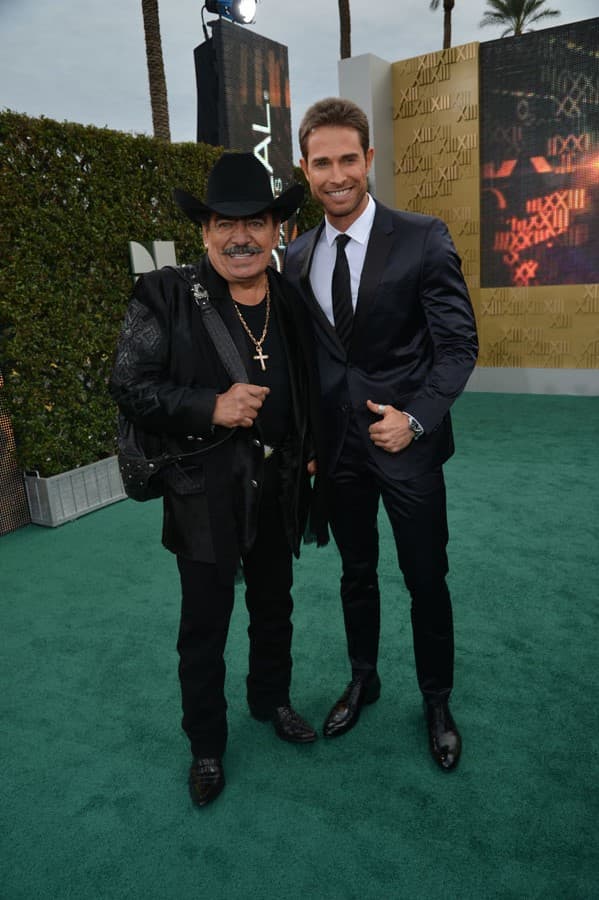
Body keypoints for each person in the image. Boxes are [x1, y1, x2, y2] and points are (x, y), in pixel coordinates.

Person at [110, 152, 328, 807]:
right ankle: (205, 745)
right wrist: (209, 406)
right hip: (203, 492)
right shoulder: (164, 294)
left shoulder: (290, 297)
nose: (241, 237)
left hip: (279, 485)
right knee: (203, 628)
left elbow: (307, 382)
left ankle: (271, 699)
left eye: (255, 222)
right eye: (226, 223)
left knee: (275, 607)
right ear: (205, 230)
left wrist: (309, 447)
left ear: (275, 230)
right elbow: (128, 385)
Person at [284, 98, 478, 771]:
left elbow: (458, 347)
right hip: (338, 454)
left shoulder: (422, 237)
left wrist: (415, 418)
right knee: (356, 573)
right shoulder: (296, 255)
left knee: (426, 578)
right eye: (322, 163)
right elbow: (308, 362)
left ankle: (436, 701)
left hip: (408, 448)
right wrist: (309, 442)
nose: (336, 175)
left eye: (348, 159)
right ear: (304, 169)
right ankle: (363, 679)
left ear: (368, 159)